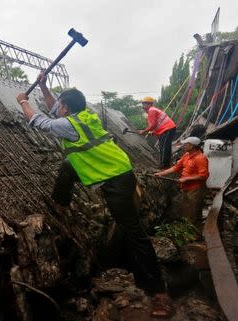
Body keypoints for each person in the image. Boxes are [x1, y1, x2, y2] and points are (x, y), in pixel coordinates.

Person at [16, 74, 173, 318]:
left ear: (66, 107)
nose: (56, 107)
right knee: (68, 164)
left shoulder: (68, 124)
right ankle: (62, 203)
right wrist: (45, 86)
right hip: (120, 170)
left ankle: (158, 293)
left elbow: (39, 120)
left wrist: (23, 102)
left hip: (116, 181)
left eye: (60, 104)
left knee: (135, 236)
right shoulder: (84, 115)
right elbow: (55, 108)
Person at [155, 137, 209, 232]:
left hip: (196, 189)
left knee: (194, 213)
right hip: (185, 188)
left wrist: (186, 178)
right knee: (186, 211)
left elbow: (203, 176)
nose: (184, 145)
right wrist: (161, 173)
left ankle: (195, 235)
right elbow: (176, 167)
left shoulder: (200, 158)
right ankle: (188, 232)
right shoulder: (186, 155)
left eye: (186, 144)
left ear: (192, 146)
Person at [139, 97, 176, 169]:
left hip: (167, 129)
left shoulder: (152, 110)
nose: (143, 105)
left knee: (164, 148)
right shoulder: (152, 110)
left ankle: (164, 166)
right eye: (143, 103)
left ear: (149, 104)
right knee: (165, 147)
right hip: (168, 129)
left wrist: (143, 131)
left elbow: (153, 125)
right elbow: (156, 124)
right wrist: (152, 131)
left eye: (144, 103)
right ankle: (166, 164)